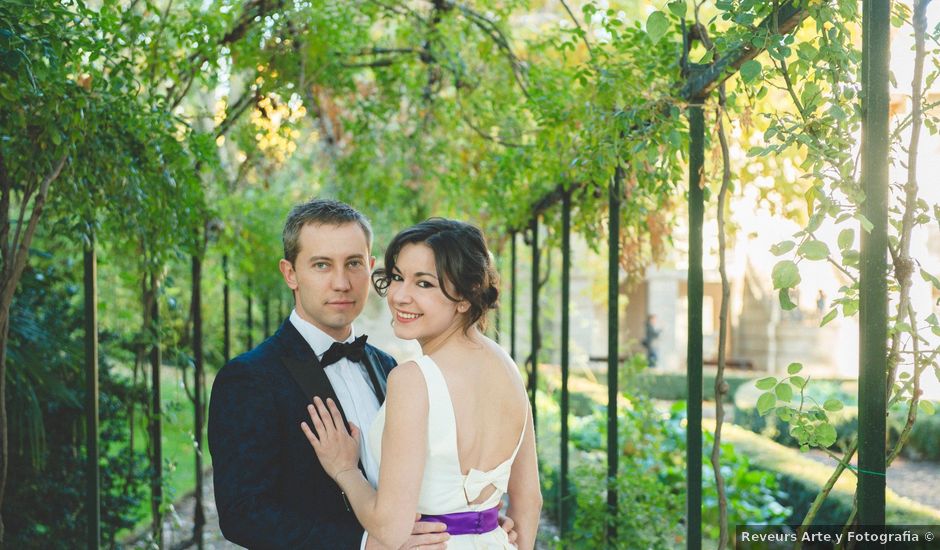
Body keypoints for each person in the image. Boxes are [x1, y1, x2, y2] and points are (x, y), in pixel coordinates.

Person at [208, 200, 458, 549]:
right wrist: (363, 543)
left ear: (371, 268)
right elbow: (243, 514)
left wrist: (473, 520)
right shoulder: (249, 378)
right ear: (290, 273)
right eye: (322, 265)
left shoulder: (390, 369)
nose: (341, 283)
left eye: (353, 263)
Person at [300, 218, 542, 550]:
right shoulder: (508, 369)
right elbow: (529, 502)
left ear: (465, 298)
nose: (400, 295)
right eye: (398, 277)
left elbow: (390, 528)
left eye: (424, 284)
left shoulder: (413, 380)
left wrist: (345, 471)